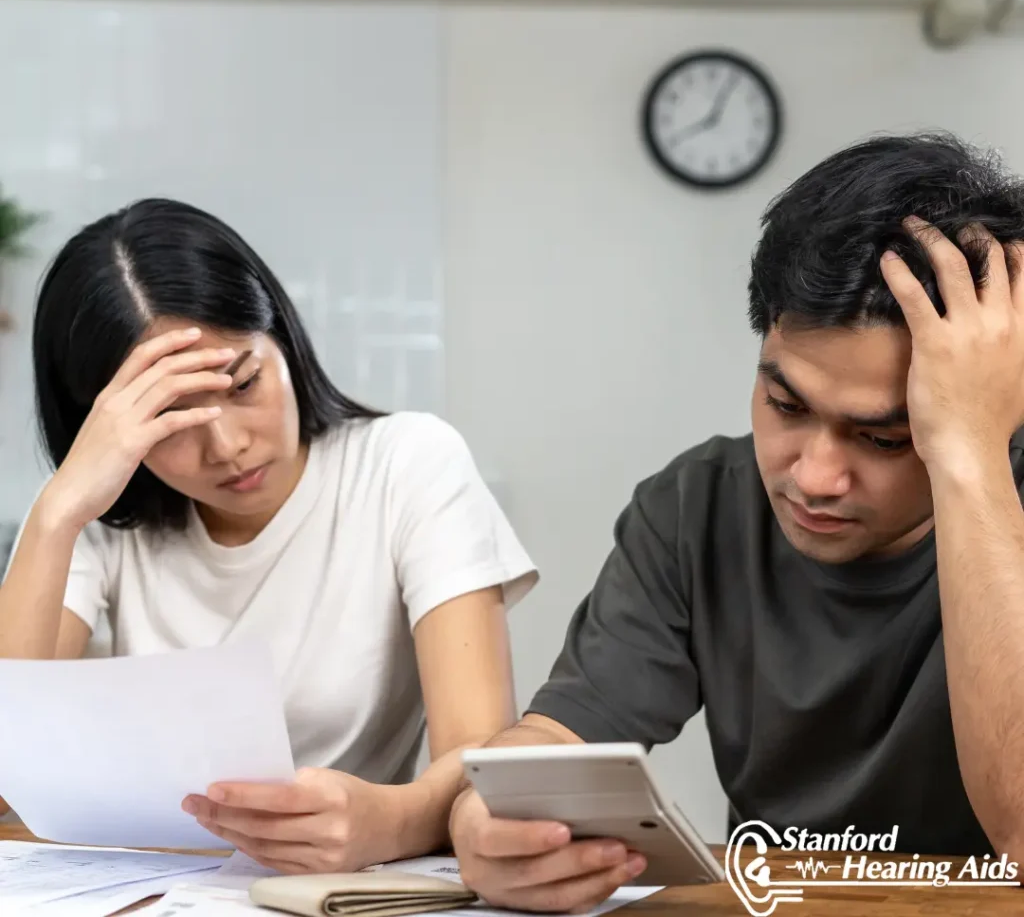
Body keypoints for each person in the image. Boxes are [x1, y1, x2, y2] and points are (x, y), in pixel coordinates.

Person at [449, 131, 1024, 912]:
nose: (813, 477)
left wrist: (968, 454)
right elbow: (559, 742)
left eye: (889, 437)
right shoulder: (695, 508)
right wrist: (490, 821)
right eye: (785, 405)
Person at [0, 198, 538, 873]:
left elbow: (480, 756)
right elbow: (7, 776)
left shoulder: (408, 463)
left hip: (351, 887)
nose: (226, 447)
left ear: (282, 337)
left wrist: (393, 822)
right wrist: (57, 513)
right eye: (169, 420)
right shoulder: (95, 516)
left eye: (244, 382)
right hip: (150, 887)